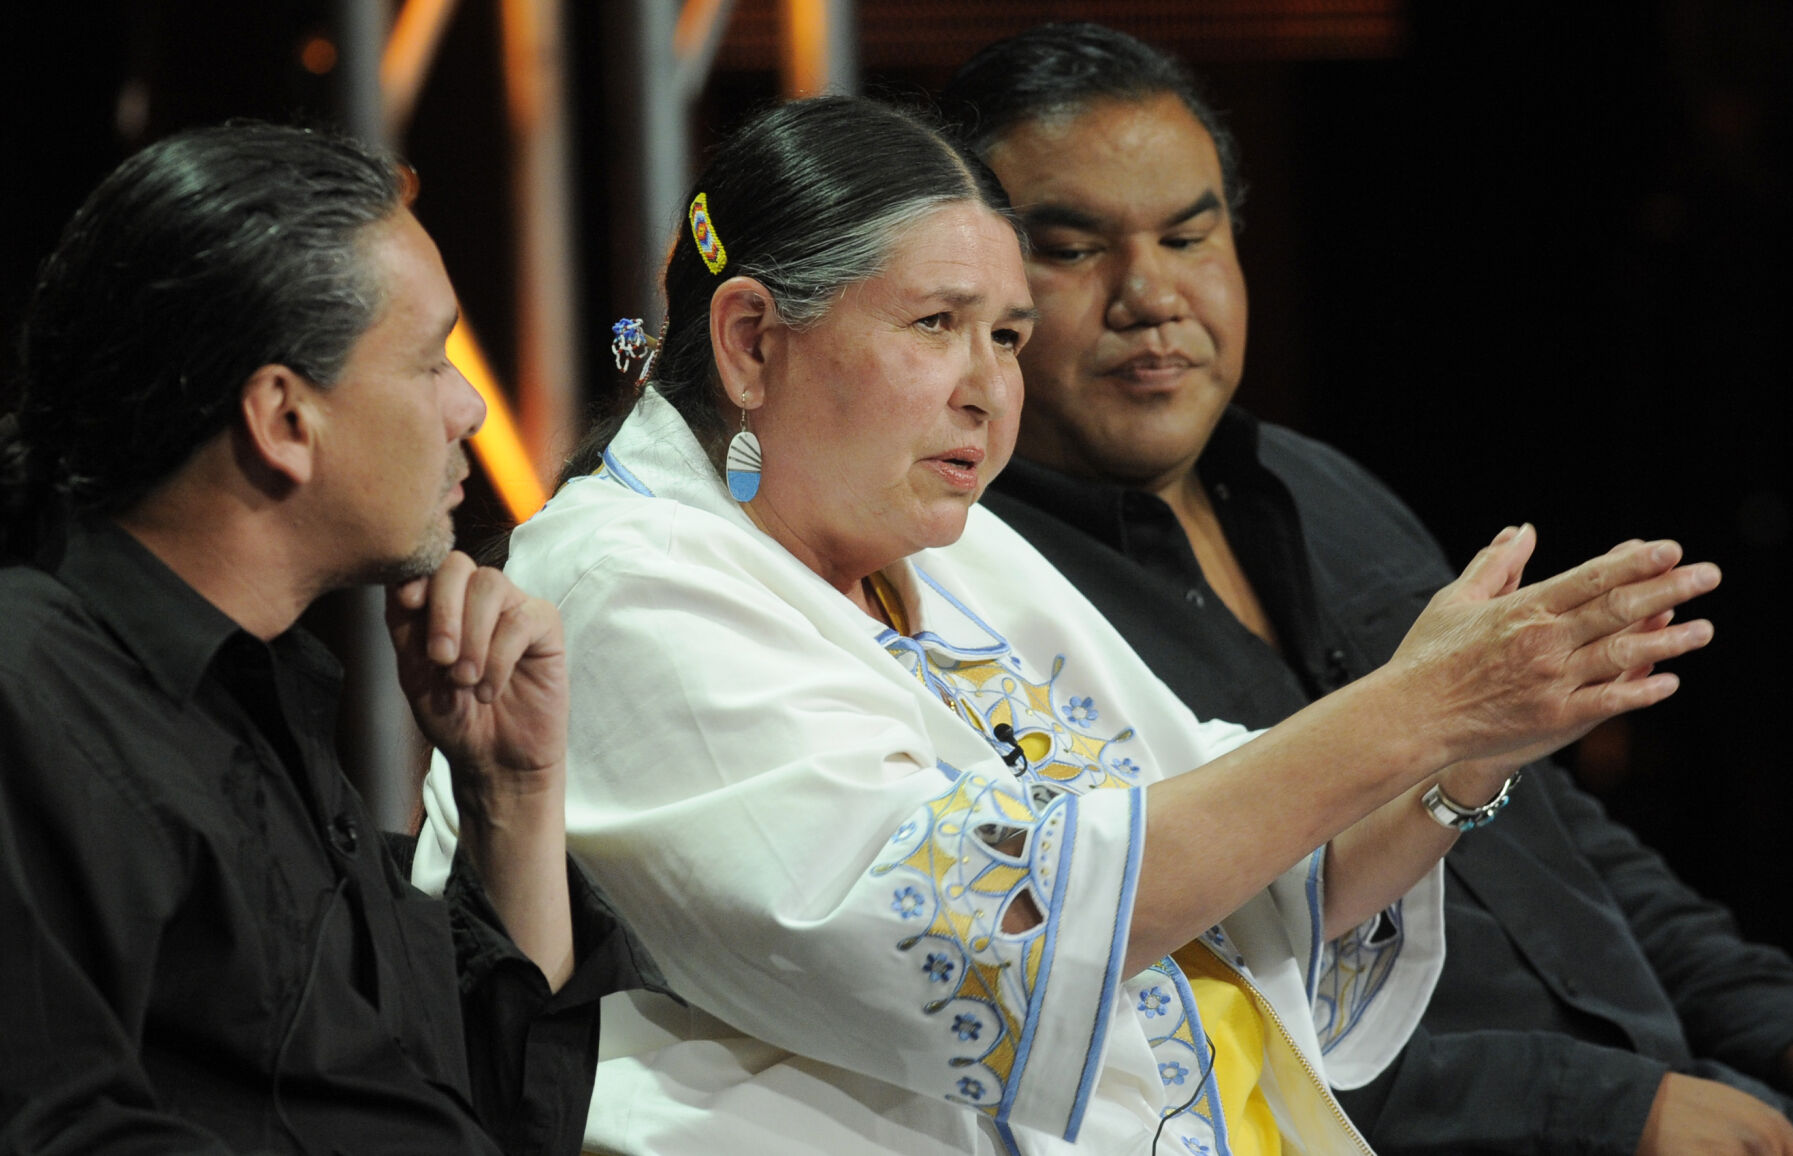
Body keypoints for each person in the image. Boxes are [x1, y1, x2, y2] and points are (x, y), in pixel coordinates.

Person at [415, 95, 1717, 1154]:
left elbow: (1249, 867)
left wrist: (1460, 757)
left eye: (1007, 337)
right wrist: (1409, 709)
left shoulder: (957, 542)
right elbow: (974, 943)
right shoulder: (619, 584)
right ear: (753, 342)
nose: (991, 392)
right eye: (936, 326)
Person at [939, 21, 1793, 1156]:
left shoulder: (1318, 483)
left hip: (1679, 1081)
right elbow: (1154, 1007)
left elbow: (1559, 837)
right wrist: (1604, 1115)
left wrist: (1764, 1019)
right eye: (1071, 248)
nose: (1148, 293)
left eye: (1188, 234)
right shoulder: (966, 592)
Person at [0, 122, 656, 1154]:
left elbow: (481, 1111)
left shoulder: (265, 702)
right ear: (283, 421)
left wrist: (511, 795)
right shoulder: (33, 698)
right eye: (431, 359)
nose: (470, 406)